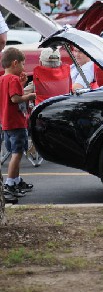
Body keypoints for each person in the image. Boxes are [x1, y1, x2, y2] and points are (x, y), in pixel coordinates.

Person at [1, 48, 36, 200]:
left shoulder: (3, 79)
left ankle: (16, 180)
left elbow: (10, 96)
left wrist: (21, 84)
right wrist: (30, 95)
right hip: (17, 123)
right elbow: (15, 99)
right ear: (15, 63)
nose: (24, 67)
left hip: (6, 122)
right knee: (17, 154)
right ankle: (9, 183)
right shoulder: (13, 79)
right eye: (22, 63)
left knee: (15, 152)